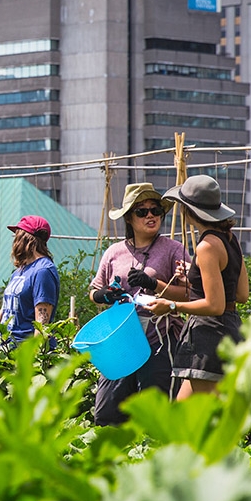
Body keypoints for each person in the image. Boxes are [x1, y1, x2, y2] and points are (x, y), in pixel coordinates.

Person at [88, 182, 191, 425]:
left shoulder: (173, 250)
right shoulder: (114, 252)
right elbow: (93, 292)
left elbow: (191, 294)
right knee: (107, 413)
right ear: (129, 218)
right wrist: (105, 295)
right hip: (121, 340)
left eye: (155, 210)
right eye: (142, 211)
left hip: (158, 338)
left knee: (155, 413)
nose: (150, 216)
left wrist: (154, 284)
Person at [143, 175, 249, 400]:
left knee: (209, 422)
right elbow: (240, 294)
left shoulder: (207, 246)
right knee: (180, 418)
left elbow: (215, 304)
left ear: (189, 211)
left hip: (209, 336)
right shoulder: (230, 239)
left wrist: (170, 305)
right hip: (232, 330)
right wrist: (192, 282)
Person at [0, 215, 59, 347]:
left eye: (17, 235)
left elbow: (42, 323)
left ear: (27, 238)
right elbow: (4, 310)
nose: (14, 241)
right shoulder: (19, 271)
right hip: (7, 350)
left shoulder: (43, 271)